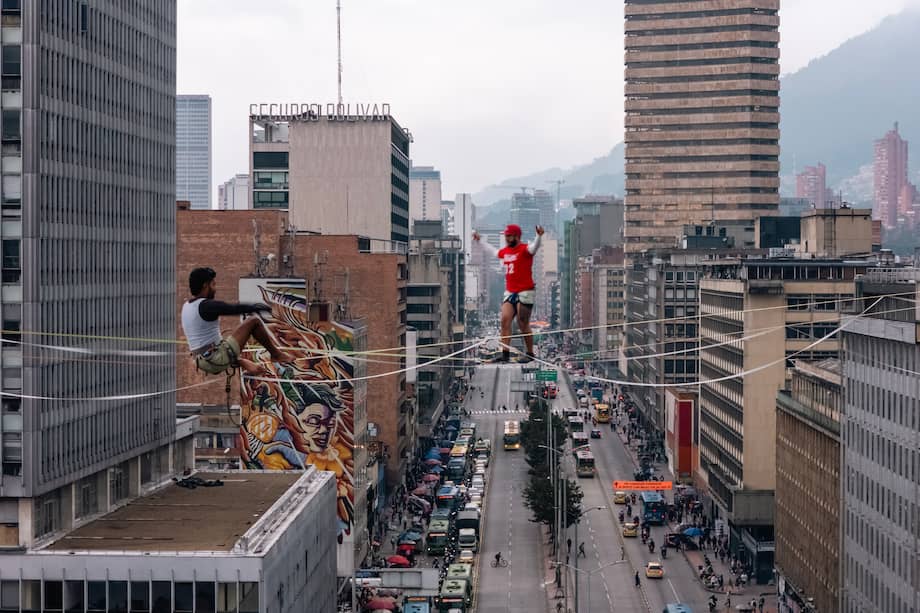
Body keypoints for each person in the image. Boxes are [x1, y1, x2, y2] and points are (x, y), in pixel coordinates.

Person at [181, 267, 294, 375]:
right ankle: (276, 355)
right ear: (205, 285)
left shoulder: (186, 306)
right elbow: (233, 308)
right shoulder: (206, 306)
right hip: (216, 359)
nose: (215, 289)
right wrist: (260, 308)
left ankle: (241, 362)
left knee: (224, 341)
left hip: (202, 361)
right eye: (213, 284)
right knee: (253, 321)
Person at [473, 224, 544, 363]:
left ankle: (530, 353)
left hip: (525, 291)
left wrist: (539, 236)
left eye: (509, 236)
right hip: (511, 291)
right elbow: (492, 251)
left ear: (517, 236)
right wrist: (479, 240)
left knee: (522, 322)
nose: (506, 238)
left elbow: (535, 247)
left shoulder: (525, 249)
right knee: (505, 320)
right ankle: (505, 353)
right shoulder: (505, 252)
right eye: (505, 236)